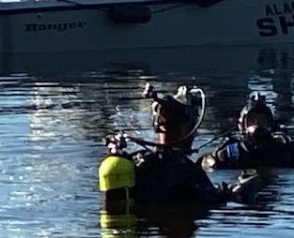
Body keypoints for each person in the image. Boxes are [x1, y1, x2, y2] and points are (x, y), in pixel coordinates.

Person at [100, 84, 258, 211]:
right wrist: (239, 188)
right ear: (185, 127)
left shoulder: (139, 162)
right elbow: (212, 199)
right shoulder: (183, 168)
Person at [202, 93, 294, 170]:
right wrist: (212, 160)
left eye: (262, 121)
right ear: (242, 126)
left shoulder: (285, 151)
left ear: (271, 125)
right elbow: (204, 164)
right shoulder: (230, 154)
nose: (257, 126)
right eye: (252, 121)